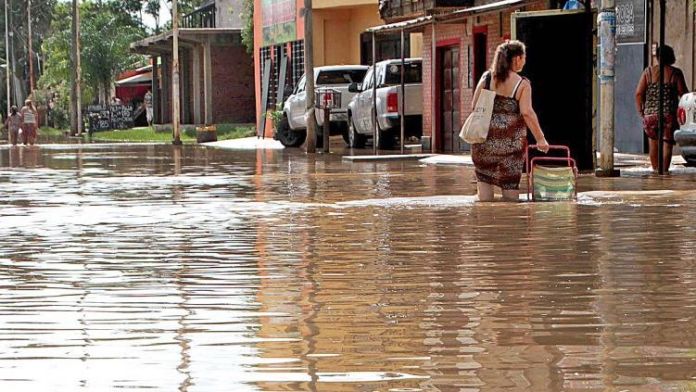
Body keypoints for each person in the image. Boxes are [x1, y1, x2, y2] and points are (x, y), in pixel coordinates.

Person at [470, 40, 549, 202]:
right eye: (524, 57)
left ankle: (485, 223)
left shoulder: (487, 78)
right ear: (517, 59)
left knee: (484, 185)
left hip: (483, 142)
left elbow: (474, 106)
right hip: (511, 147)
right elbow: (527, 113)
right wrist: (541, 138)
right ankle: (511, 224)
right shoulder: (522, 84)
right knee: (510, 188)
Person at [635, 45, 688, 173]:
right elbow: (683, 93)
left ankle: (655, 171)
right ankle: (664, 172)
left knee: (653, 143)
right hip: (668, 114)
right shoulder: (675, 73)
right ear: (671, 57)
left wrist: (641, 111)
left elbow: (638, 93)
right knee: (667, 143)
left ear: (658, 57)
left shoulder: (648, 72)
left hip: (650, 115)